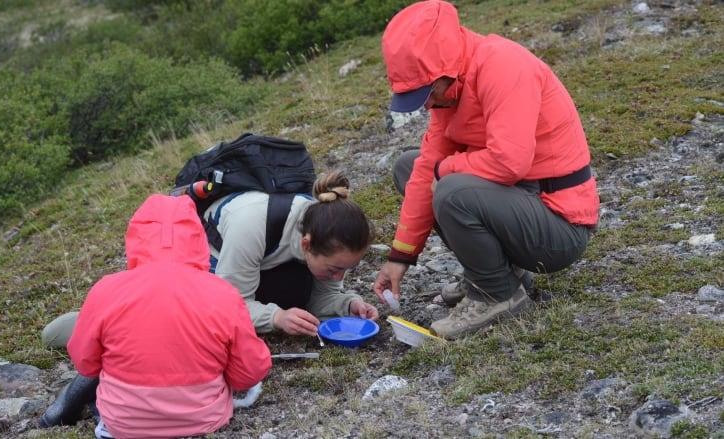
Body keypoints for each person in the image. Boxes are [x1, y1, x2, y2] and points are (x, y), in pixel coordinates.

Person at [372, 0, 599, 339]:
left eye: (428, 93)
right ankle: (498, 274)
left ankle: (496, 294)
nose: (428, 104)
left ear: (445, 70)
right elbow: (424, 172)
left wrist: (446, 169)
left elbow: (510, 162)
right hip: (520, 206)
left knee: (451, 190)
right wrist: (400, 257)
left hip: (560, 225)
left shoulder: (502, 66)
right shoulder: (451, 87)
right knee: (410, 168)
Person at [39, 194, 271, 437]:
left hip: (123, 423)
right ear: (197, 238)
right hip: (204, 419)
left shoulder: (105, 290)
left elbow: (85, 361)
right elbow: (249, 373)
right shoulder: (223, 292)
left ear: (135, 237)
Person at [205, 170, 379, 337]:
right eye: (334, 269)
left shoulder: (324, 230)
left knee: (296, 295)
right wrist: (276, 317)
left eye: (346, 269)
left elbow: (321, 298)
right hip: (218, 254)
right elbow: (229, 307)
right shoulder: (249, 228)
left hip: (265, 255)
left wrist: (348, 306)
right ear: (306, 244)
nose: (338, 277)